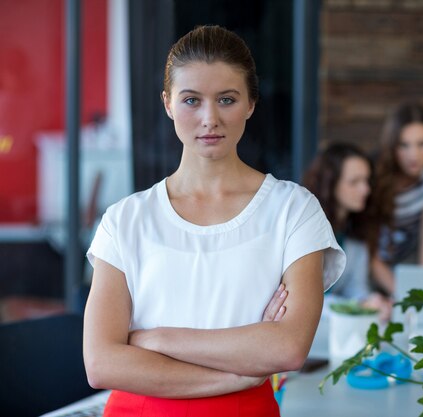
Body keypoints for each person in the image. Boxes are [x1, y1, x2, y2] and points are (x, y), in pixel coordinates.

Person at [82, 25, 345, 416]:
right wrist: (238, 374)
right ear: (168, 103)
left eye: (226, 99)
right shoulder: (126, 219)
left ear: (251, 104)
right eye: (191, 100)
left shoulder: (293, 210)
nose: (210, 118)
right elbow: (102, 364)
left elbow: (287, 348)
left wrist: (154, 339)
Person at [303, 143, 392, 320]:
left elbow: (356, 289)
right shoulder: (304, 229)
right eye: (354, 182)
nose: (365, 189)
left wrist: (373, 302)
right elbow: (303, 299)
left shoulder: (356, 233)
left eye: (367, 181)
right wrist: (358, 306)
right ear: (330, 184)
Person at [369, 102, 423, 295]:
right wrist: (404, 296)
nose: (414, 155)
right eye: (404, 145)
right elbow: (369, 248)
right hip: (373, 268)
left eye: (422, 144)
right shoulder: (375, 175)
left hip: (409, 259)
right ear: (391, 146)